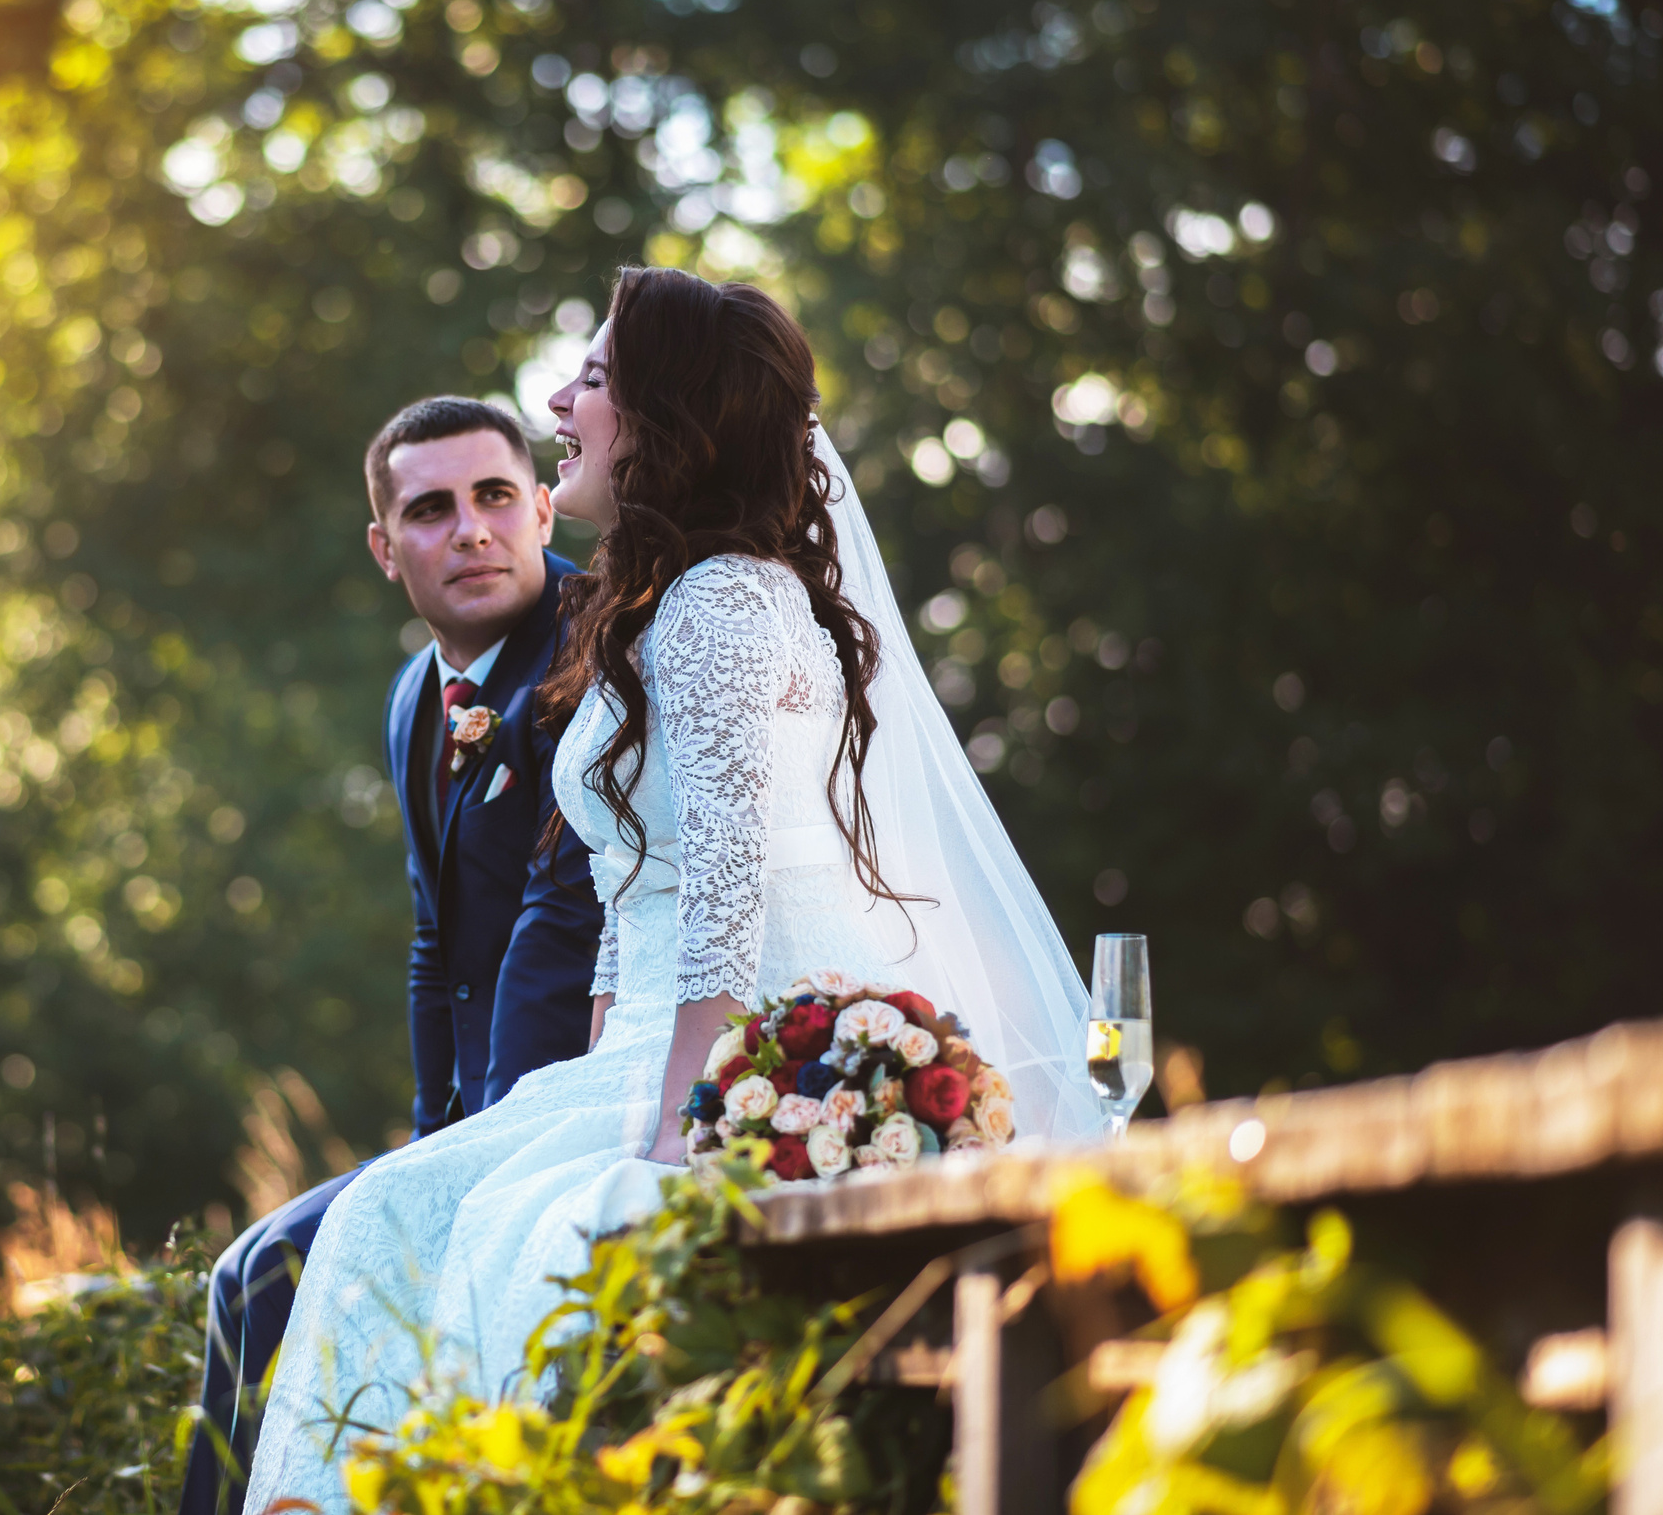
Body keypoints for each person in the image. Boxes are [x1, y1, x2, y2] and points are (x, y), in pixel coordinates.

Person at [240, 269, 1104, 1514]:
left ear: (663, 420)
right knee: (385, 1212)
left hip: (724, 1039)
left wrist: (675, 1122)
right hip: (643, 1042)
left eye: (589, 379)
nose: (556, 401)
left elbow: (723, 894)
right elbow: (630, 888)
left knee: (519, 1237)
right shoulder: (657, 609)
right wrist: (586, 1073)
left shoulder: (721, 605)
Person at [177, 397, 604, 1515]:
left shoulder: (606, 646)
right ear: (384, 547)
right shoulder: (415, 697)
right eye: (430, 508)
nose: (469, 529)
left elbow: (560, 931)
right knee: (251, 1278)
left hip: (580, 1110)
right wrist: (429, 1140)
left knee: (271, 1277)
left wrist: (466, 1170)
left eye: (494, 496)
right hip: (473, 1121)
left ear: (543, 504)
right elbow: (436, 942)